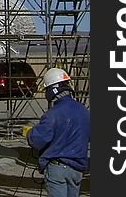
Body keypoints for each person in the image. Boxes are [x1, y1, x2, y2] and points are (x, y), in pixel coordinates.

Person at [25, 67, 90, 197]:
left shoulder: (53, 114)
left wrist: (30, 133)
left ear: (51, 90)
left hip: (57, 168)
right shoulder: (84, 111)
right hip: (77, 169)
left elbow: (37, 140)